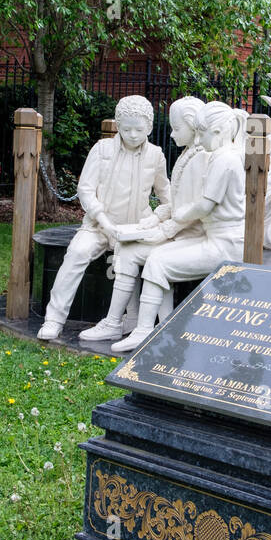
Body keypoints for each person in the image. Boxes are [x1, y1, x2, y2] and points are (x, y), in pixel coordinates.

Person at [111, 100, 247, 354]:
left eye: (201, 132)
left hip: (225, 245)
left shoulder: (223, 160)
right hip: (215, 239)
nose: (198, 137)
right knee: (158, 257)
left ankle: (146, 331)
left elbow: (204, 205)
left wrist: (179, 214)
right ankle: (152, 328)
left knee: (159, 261)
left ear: (217, 133)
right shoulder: (217, 157)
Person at [36, 96, 170, 341]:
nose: (132, 134)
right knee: (76, 253)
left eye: (139, 129)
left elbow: (166, 195)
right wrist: (104, 222)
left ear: (149, 127)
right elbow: (85, 190)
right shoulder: (102, 149)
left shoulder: (156, 155)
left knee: (135, 258)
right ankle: (54, 319)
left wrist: (156, 218)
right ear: (118, 125)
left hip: (135, 229)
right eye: (126, 128)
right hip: (98, 226)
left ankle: (131, 321)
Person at [78, 95, 207, 343]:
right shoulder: (188, 156)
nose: (170, 134)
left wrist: (163, 229)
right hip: (178, 230)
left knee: (140, 254)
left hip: (191, 236)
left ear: (193, 126)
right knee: (127, 251)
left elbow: (196, 210)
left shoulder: (200, 159)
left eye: (176, 128)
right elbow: (176, 202)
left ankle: (143, 327)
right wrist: (156, 218)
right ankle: (117, 322)